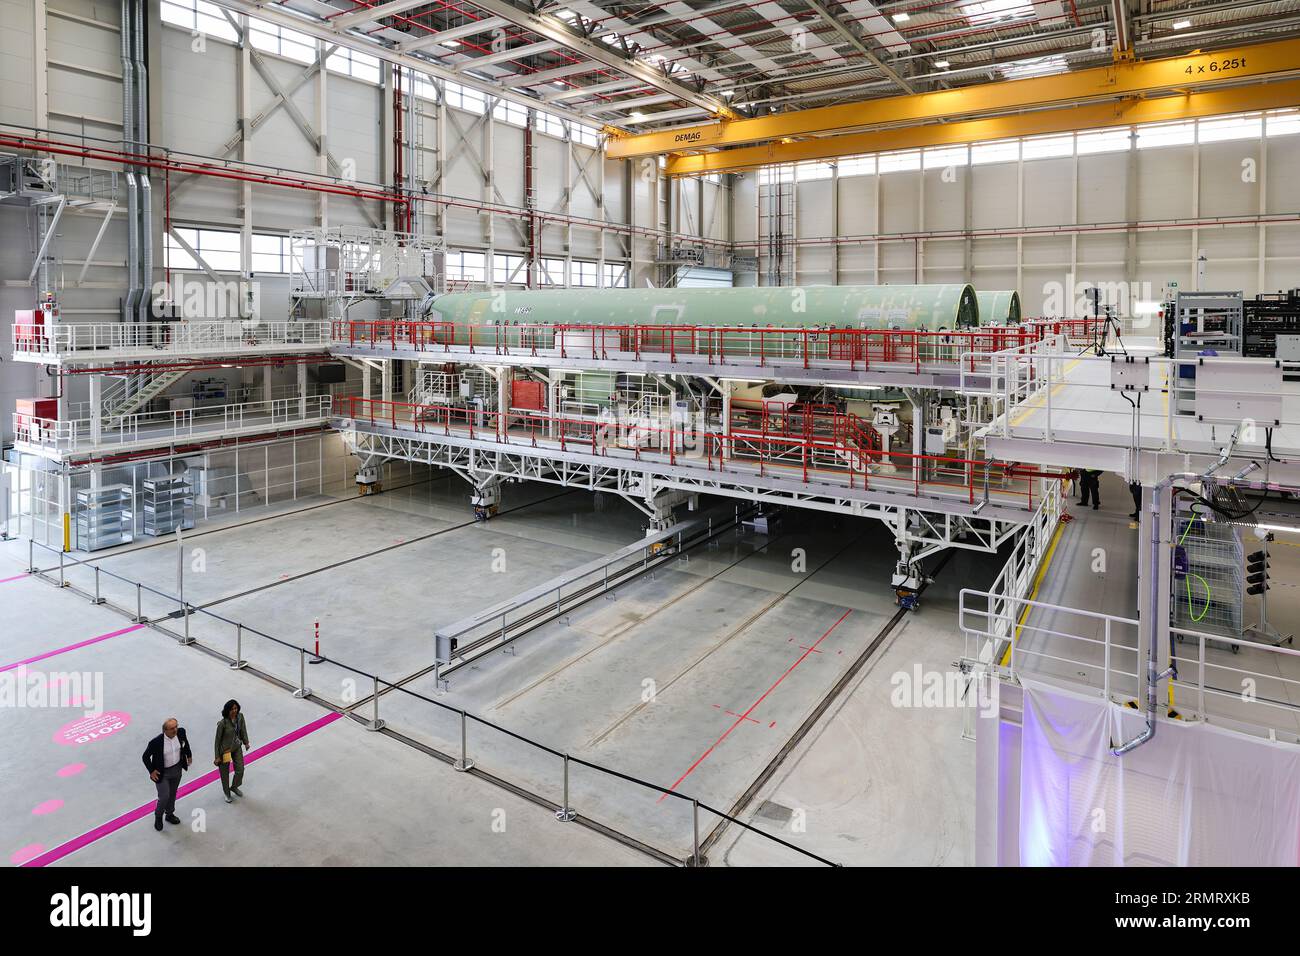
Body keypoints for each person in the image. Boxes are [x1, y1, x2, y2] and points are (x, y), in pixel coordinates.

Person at [142, 717, 193, 832]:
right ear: (164, 730)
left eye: (176, 726)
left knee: (173, 794)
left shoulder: (181, 732)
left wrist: (189, 755)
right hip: (162, 773)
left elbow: (185, 744)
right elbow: (145, 757)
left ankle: (169, 814)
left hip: (177, 769)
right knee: (164, 796)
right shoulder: (156, 742)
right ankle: (158, 816)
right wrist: (151, 770)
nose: (175, 730)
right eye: (171, 728)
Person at [214, 699, 251, 804]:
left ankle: (234, 787)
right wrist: (217, 756)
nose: (234, 711)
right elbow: (217, 741)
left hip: (237, 747)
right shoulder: (222, 723)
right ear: (227, 710)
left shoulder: (240, 717)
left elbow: (243, 729)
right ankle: (227, 793)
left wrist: (246, 742)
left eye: (236, 708)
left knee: (240, 769)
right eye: (232, 709)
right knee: (225, 773)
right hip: (225, 751)